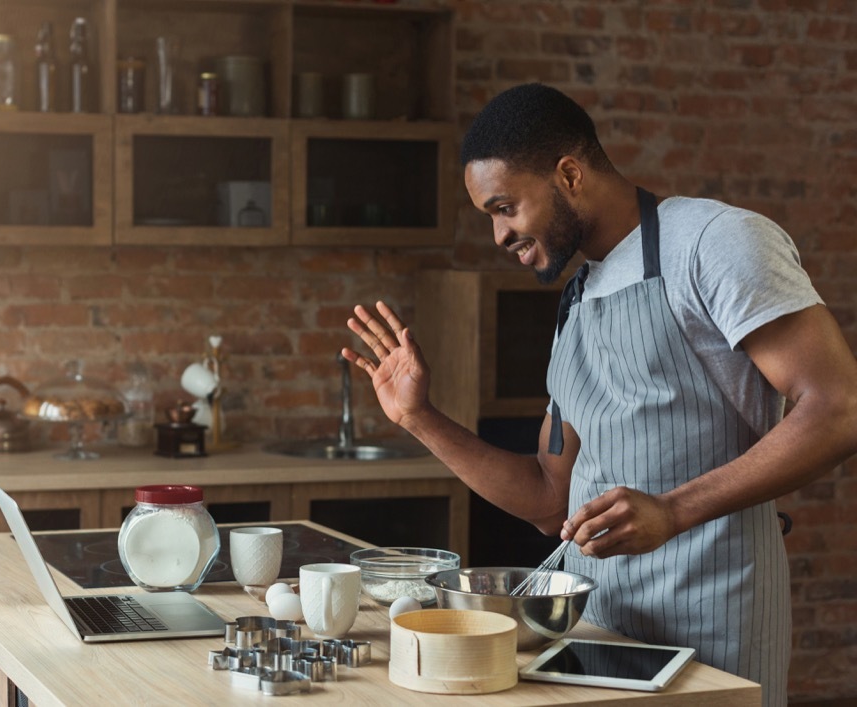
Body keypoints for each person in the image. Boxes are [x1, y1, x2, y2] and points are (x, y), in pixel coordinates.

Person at [342, 83, 857, 706]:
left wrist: (673, 511)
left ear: (568, 174)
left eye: (505, 207)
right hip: (589, 635)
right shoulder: (576, 304)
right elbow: (545, 498)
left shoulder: (714, 242)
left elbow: (838, 409)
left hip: (712, 625)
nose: (499, 234)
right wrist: (418, 418)